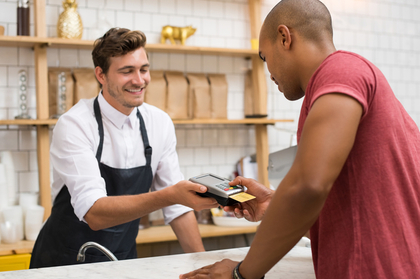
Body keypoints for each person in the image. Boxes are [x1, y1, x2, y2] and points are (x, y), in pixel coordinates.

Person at [180, 0, 420, 278]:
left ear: (284, 37)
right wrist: (272, 205)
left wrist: (241, 273)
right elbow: (347, 209)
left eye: (264, 56)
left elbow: (308, 186)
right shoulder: (342, 80)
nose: (268, 71)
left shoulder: (342, 71)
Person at [30, 28, 218, 268]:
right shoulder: (75, 124)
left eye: (144, 69)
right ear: (101, 75)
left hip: (121, 262)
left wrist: (203, 265)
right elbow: (94, 214)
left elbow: (177, 208)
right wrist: (169, 195)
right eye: (126, 71)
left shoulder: (159, 123)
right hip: (64, 263)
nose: (139, 80)